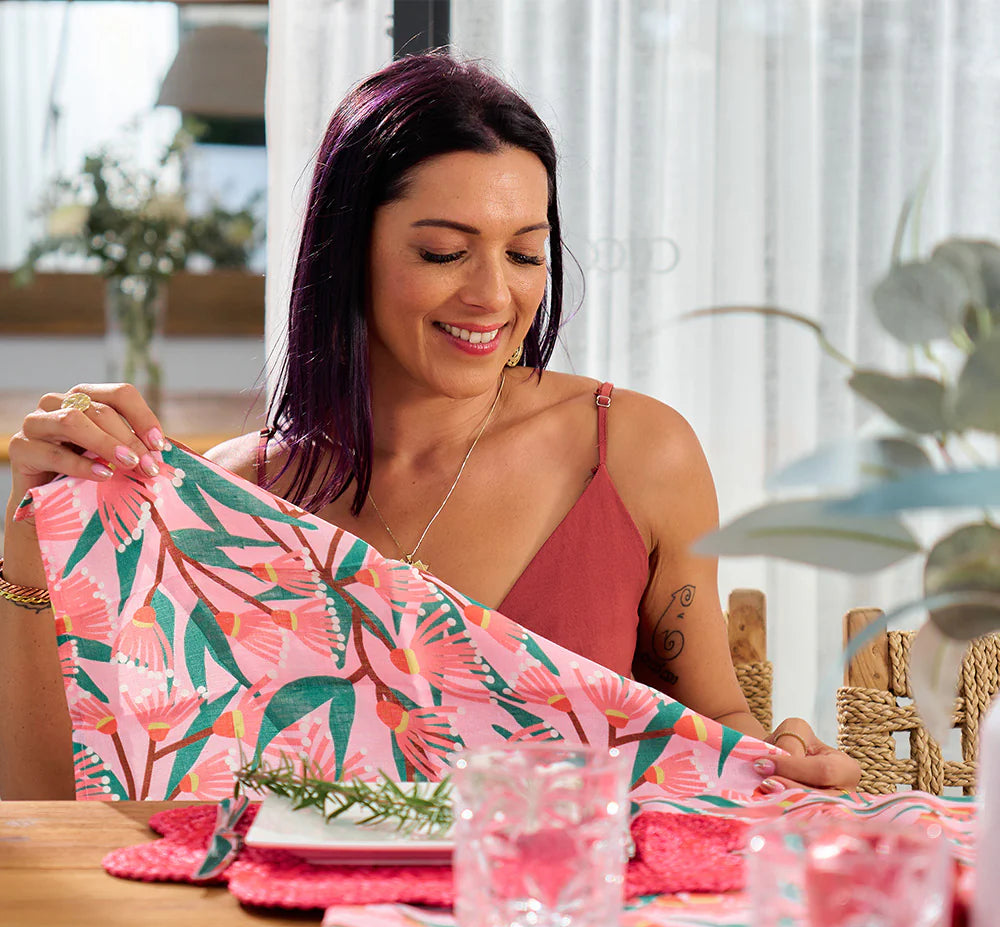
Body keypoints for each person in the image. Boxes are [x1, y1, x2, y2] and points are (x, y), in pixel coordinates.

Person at [0, 52, 860, 800]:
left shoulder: (633, 453)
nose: (495, 295)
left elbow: (712, 728)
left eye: (526, 253)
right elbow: (63, 797)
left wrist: (781, 757)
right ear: (347, 253)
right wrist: (34, 539)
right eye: (445, 252)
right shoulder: (235, 504)